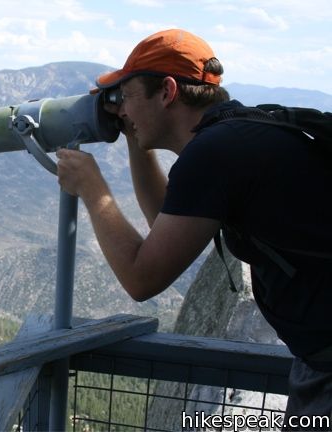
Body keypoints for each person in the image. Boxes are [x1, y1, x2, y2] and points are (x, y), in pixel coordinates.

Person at [56, 28, 332, 429]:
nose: (121, 111)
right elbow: (164, 227)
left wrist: (92, 188)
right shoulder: (238, 133)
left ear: (167, 92)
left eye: (126, 97)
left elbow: (142, 277)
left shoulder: (215, 153)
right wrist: (137, 143)